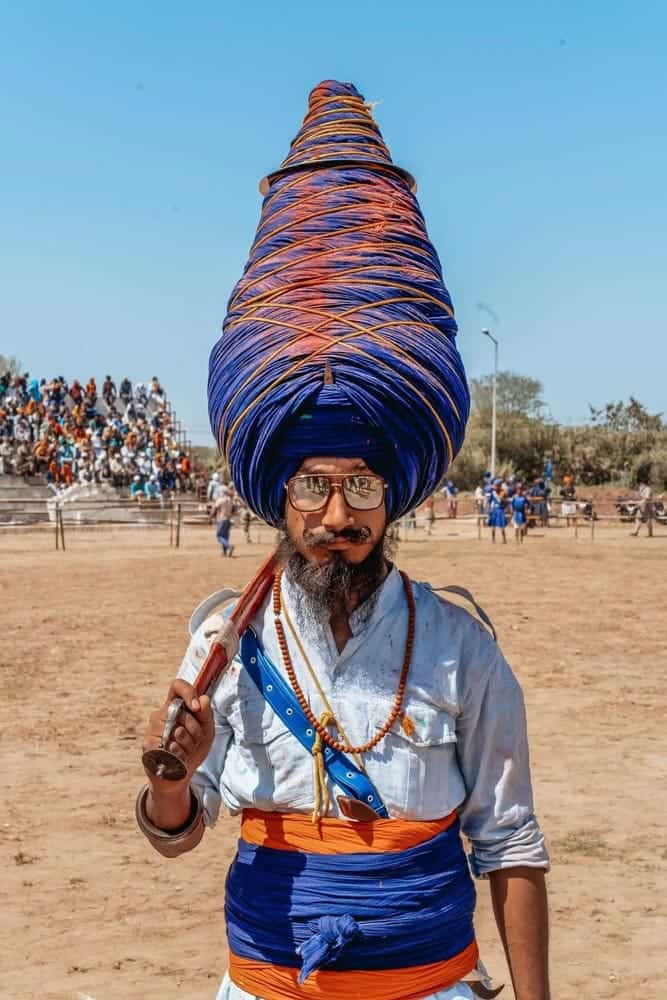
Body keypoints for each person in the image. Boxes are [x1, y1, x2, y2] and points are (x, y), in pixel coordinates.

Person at [137, 79, 550, 1000]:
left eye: (361, 487)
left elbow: (511, 844)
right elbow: (178, 829)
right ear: (276, 494)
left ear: (392, 493)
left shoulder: (459, 646)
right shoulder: (221, 641)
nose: (337, 517)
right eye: (314, 487)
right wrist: (172, 779)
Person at [214, 486, 235, 556]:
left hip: (221, 520)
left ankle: (229, 546)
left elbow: (215, 509)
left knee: (219, 536)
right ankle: (224, 552)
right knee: (225, 537)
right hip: (228, 520)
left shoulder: (220, 500)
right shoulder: (230, 500)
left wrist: (210, 518)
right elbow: (233, 509)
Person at [487, 479, 507, 544]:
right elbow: (489, 501)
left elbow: (504, 501)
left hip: (500, 510)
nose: (495, 487)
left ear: (499, 486)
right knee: (493, 525)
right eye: (495, 486)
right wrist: (489, 509)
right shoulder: (493, 492)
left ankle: (504, 539)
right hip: (494, 510)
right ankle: (493, 540)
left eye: (496, 486)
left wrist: (504, 506)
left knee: (502, 525)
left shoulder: (502, 492)